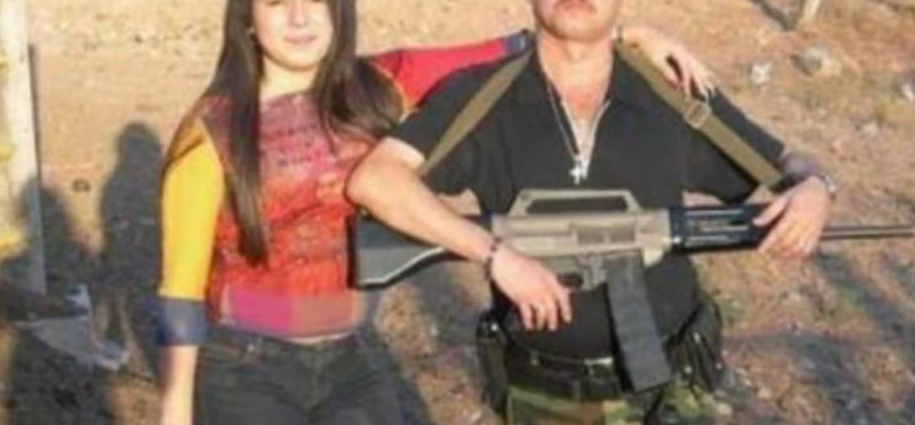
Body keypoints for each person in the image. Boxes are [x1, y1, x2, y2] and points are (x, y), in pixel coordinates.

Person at [155, 0, 713, 424]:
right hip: (245, 365)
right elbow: (180, 293)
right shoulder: (211, 132)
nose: (300, 17)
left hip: (351, 356)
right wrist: (175, 410)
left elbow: (518, 48)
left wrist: (627, 35)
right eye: (277, 2)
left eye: (316, 0)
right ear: (248, 20)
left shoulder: (383, 84)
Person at [347, 0, 835, 423]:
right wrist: (494, 254)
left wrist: (815, 188)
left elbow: (788, 161)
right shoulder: (480, 96)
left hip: (671, 385)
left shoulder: (672, 91)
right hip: (542, 397)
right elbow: (376, 180)